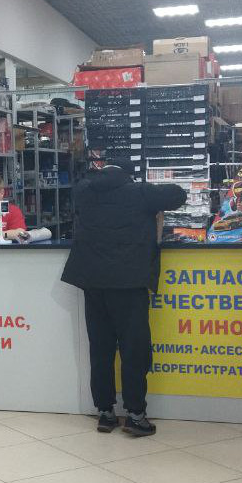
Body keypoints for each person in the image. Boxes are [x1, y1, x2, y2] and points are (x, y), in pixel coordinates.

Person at [61, 161, 186, 437]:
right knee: (134, 351)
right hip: (129, 283)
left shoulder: (83, 190)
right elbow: (178, 195)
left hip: (93, 282)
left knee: (100, 350)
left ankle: (105, 413)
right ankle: (135, 415)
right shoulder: (141, 193)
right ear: (128, 175)